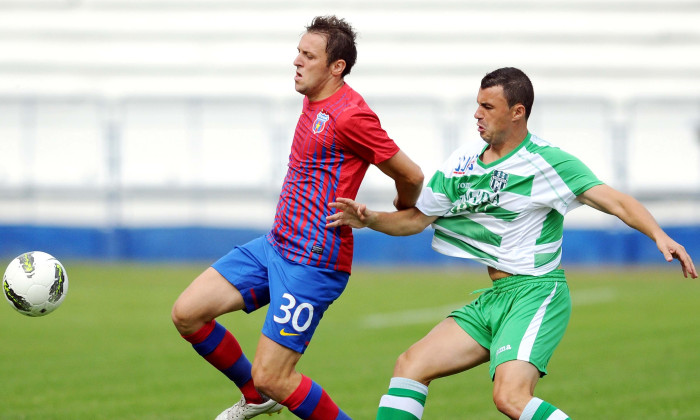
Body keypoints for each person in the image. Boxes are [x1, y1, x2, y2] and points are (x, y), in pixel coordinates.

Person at [326, 67, 697, 420]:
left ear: (517, 112)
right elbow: (417, 219)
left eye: (487, 107)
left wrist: (659, 235)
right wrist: (370, 219)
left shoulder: (546, 162)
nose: (476, 114)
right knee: (410, 365)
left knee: (510, 397)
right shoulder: (463, 162)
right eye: (477, 104)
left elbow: (615, 200)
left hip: (536, 293)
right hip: (496, 298)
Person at [171, 15, 424, 420]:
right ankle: (256, 396)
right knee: (187, 314)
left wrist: (399, 207)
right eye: (298, 53)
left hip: (313, 260)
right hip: (275, 245)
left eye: (308, 56)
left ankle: (266, 390)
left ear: (336, 67)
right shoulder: (313, 98)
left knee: (275, 375)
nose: (297, 62)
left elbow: (411, 175)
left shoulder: (351, 115)